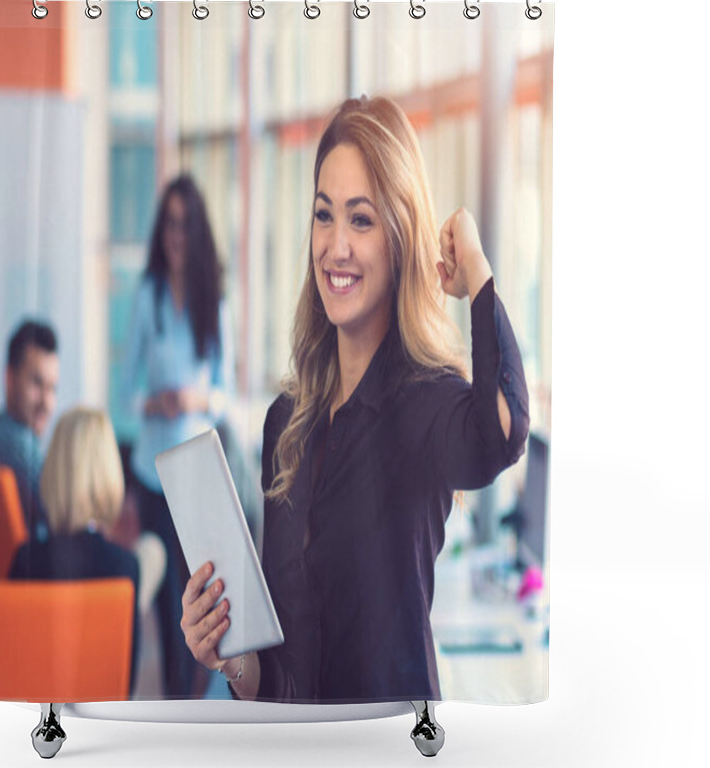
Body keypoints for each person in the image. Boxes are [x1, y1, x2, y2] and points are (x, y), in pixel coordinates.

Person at [181, 96, 530, 703]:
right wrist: (227, 654)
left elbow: (503, 431)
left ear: (399, 236)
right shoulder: (284, 426)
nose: (335, 246)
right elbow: (278, 683)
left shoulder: (426, 404)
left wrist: (473, 267)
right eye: (324, 215)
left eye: (361, 220)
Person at [120, 174, 233, 698]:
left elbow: (228, 394)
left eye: (185, 224)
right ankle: (170, 702)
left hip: (197, 476)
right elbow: (122, 391)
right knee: (167, 603)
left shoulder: (216, 299)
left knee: (203, 599)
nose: (176, 234)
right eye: (169, 223)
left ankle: (195, 704)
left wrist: (196, 401)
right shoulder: (147, 297)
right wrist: (153, 402)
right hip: (151, 473)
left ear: (198, 231)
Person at [9, 408, 166, 698]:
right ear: (107, 473)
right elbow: (126, 683)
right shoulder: (124, 567)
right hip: (102, 719)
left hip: (38, 718)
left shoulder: (23, 561)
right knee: (153, 552)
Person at [0, 319, 59, 542]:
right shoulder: (20, 449)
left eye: (53, 388)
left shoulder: (0, 435)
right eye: (37, 383)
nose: (46, 402)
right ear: (9, 379)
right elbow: (66, 516)